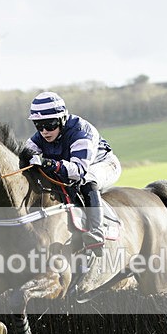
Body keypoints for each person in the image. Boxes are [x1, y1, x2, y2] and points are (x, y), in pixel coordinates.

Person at [26, 91, 121, 256]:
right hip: (73, 166)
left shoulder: (81, 132)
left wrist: (50, 163)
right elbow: (23, 156)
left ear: (62, 119)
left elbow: (78, 171)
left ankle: (97, 233)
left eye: (50, 125)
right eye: (38, 125)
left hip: (104, 165)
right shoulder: (41, 135)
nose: (44, 131)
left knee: (87, 180)